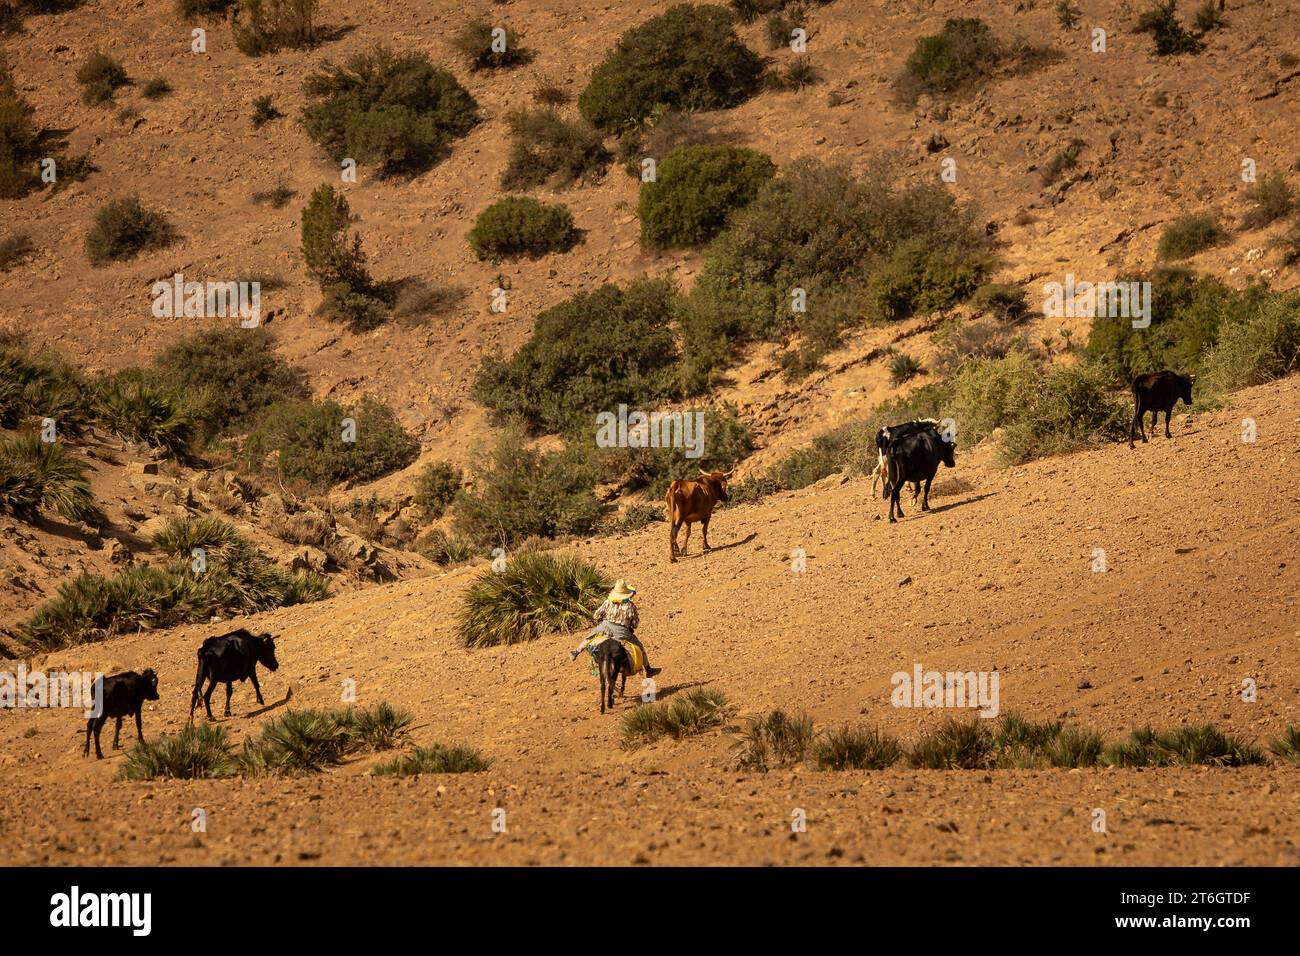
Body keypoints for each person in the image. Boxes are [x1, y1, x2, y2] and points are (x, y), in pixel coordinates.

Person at [570, 580, 661, 678]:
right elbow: (635, 624)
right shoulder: (630, 606)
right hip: (621, 632)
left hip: (605, 626)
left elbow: (596, 616)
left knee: (590, 636)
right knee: (639, 646)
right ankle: (648, 669)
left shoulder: (608, 602)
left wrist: (603, 621)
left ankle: (576, 651)